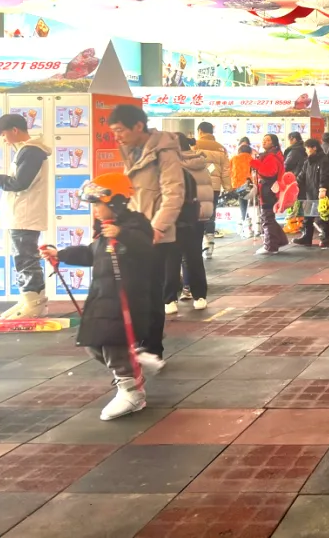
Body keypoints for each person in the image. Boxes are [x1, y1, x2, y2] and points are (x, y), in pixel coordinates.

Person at [41, 173, 154, 421]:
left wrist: (121, 232)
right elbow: (91, 254)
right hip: (102, 298)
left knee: (112, 343)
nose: (94, 210)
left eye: (97, 204)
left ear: (114, 202)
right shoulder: (103, 231)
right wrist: (60, 254)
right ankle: (131, 376)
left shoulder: (135, 225)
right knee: (93, 345)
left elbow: (146, 247)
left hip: (126, 299)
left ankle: (131, 392)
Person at [109, 104, 185, 374]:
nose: (117, 136)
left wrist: (157, 228)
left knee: (152, 293)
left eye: (120, 131)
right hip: (132, 230)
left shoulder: (164, 151)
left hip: (155, 235)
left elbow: (173, 194)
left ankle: (152, 348)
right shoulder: (128, 149)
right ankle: (138, 344)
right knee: (134, 291)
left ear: (138, 126)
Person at [0, 113, 52, 320]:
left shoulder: (31, 151)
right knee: (23, 258)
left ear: (14, 130)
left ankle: (35, 302)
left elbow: (20, 183)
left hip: (26, 215)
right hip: (21, 214)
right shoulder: (26, 151)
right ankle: (29, 299)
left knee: (26, 259)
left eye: (3, 134)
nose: (4, 139)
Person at [164, 134, 212, 314]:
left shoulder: (172, 165)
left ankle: (169, 299)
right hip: (198, 216)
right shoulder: (200, 161)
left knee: (171, 257)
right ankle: (200, 296)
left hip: (177, 217)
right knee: (194, 256)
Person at [193, 121, 231, 259]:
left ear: (200, 131)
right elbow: (226, 170)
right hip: (214, 187)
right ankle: (210, 244)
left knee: (197, 213)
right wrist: (227, 187)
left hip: (197, 185)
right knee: (210, 213)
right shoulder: (221, 148)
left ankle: (196, 244)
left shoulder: (194, 145)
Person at [294, 138, 329, 249]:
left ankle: (326, 239)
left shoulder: (324, 160)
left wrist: (322, 189)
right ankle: (306, 237)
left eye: (307, 148)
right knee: (308, 216)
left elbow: (325, 175)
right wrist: (293, 185)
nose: (306, 150)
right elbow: (301, 176)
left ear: (314, 148)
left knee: (323, 215)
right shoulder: (307, 161)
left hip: (321, 192)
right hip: (310, 191)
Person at [251, 134, 287, 255]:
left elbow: (269, 172)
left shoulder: (271, 156)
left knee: (267, 217)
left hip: (269, 190)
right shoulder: (273, 155)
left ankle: (270, 246)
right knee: (269, 216)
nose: (264, 142)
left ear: (273, 143)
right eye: (263, 140)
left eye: (267, 140)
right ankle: (279, 240)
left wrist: (254, 163)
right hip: (271, 189)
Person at [230, 143, 254, 229]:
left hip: (237, 185)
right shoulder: (251, 159)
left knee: (242, 202)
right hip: (249, 184)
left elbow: (229, 170)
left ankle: (245, 219)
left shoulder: (234, 158)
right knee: (248, 202)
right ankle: (247, 220)